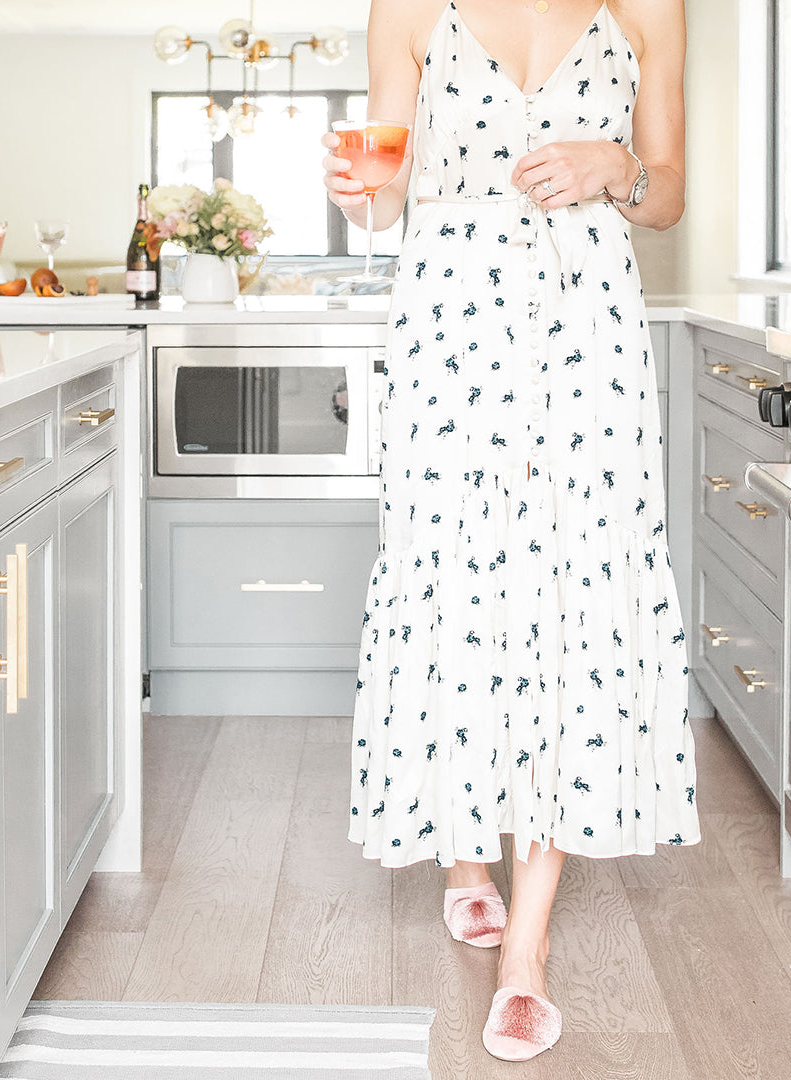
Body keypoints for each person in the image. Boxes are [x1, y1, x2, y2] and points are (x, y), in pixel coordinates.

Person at [322, 0, 698, 1062]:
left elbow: (666, 194)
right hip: (452, 333)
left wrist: (618, 168)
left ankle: (524, 950)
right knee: (454, 581)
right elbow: (387, 196)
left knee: (574, 595)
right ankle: (462, 852)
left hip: (589, 332)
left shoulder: (645, 11)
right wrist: (363, 192)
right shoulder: (408, 9)